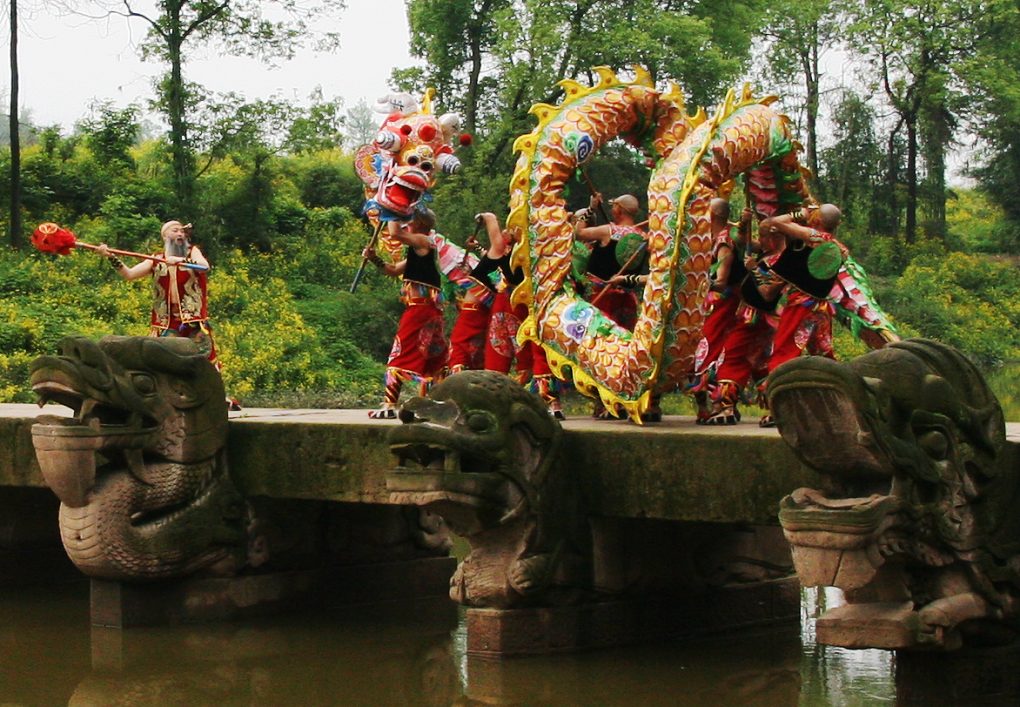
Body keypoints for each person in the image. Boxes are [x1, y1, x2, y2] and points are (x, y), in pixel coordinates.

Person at [98, 221, 240, 411]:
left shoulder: (192, 253)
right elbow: (130, 274)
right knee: (154, 359)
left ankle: (217, 398)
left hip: (192, 321)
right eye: (175, 230)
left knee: (206, 359)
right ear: (165, 236)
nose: (180, 233)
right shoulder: (156, 259)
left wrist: (180, 261)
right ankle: (155, 397)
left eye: (182, 231)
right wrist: (111, 257)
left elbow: (205, 267)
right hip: (165, 322)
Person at [754, 204, 845, 426]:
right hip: (821, 309)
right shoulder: (840, 248)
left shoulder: (815, 236)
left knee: (784, 352)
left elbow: (776, 222)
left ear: (818, 220)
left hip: (800, 307)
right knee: (823, 356)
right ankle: (837, 404)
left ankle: (778, 409)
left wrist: (799, 214)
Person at [363, 209, 449, 419]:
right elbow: (392, 270)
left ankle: (389, 405)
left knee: (399, 353)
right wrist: (374, 259)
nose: (406, 224)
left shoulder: (422, 240)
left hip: (420, 310)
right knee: (433, 361)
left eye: (409, 221)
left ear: (418, 223)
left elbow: (395, 234)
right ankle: (434, 404)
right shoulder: (419, 247)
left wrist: (392, 211)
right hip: (427, 311)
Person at [478, 212, 564, 420]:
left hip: (518, 300)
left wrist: (489, 218)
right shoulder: (541, 243)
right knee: (534, 351)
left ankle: (497, 401)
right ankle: (550, 402)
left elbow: (497, 245)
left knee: (504, 350)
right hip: (528, 300)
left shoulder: (524, 244)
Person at [689, 199, 753, 423]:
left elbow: (722, 279)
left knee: (710, 350)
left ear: (713, 214)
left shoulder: (724, 241)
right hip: (709, 304)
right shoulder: (711, 239)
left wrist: (696, 280)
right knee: (700, 350)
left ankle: (721, 404)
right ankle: (705, 407)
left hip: (723, 303)